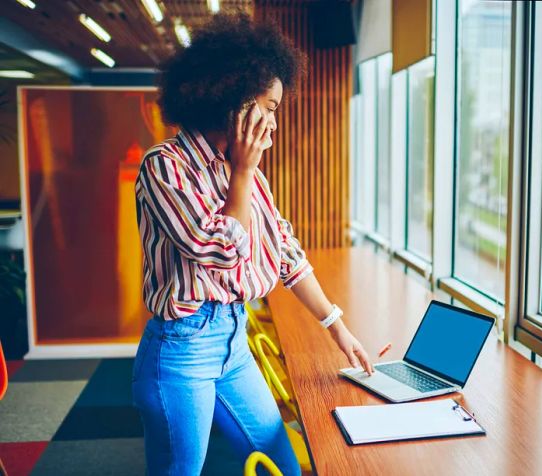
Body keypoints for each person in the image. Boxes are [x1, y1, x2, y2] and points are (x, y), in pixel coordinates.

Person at [131, 13, 374, 475]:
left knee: (283, 464)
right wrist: (242, 173)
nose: (274, 123)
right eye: (269, 106)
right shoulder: (165, 167)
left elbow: (286, 254)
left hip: (233, 341)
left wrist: (338, 329)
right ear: (230, 97)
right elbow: (220, 254)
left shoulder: (246, 176)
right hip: (182, 351)